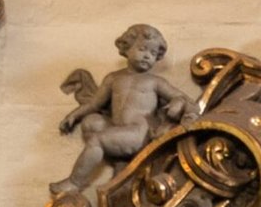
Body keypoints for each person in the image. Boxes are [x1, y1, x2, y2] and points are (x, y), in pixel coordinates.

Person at [55, 24, 194, 196]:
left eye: (152, 53)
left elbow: (184, 99)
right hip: (117, 128)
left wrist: (177, 104)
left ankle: (75, 182)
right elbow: (95, 104)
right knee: (91, 122)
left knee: (97, 140)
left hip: (138, 133)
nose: (147, 56)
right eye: (142, 49)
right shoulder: (113, 78)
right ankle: (118, 159)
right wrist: (73, 115)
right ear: (126, 48)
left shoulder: (154, 82)